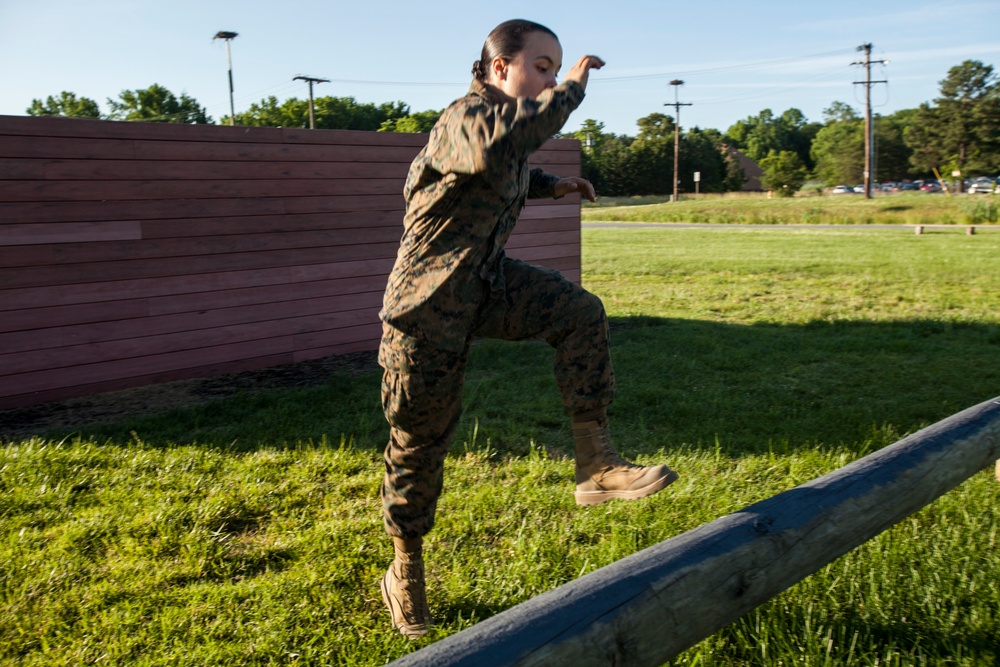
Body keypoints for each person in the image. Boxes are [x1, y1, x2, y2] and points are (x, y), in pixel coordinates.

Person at [377, 18, 678, 639]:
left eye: (554, 66)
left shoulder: (499, 134)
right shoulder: (464, 120)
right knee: (419, 445)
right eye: (539, 65)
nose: (547, 76)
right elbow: (496, 145)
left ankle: (595, 466)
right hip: (426, 311)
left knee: (579, 312)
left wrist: (551, 184)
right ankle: (405, 565)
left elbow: (505, 167)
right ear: (497, 69)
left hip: (487, 287)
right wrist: (568, 90)